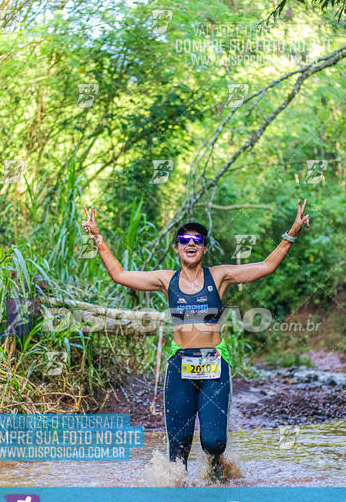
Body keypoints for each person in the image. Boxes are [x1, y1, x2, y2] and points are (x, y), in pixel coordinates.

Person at [81, 199, 310, 482]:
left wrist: (292, 232)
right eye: (184, 239)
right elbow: (120, 275)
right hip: (180, 366)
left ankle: (217, 468)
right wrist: (98, 239)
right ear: (177, 247)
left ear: (203, 248)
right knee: (177, 451)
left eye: (197, 239)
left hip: (214, 363)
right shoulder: (166, 280)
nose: (191, 243)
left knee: (214, 442)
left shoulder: (220, 276)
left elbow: (265, 266)